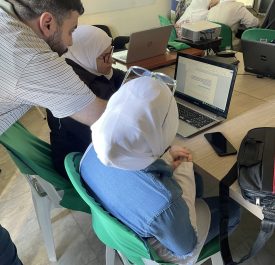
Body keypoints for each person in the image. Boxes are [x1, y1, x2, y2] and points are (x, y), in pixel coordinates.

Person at [80, 76, 240, 264]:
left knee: (196, 181)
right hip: (163, 246)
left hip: (123, 215)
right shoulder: (165, 203)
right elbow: (185, 247)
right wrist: (184, 170)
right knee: (233, 208)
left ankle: (185, 209)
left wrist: (163, 162)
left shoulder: (93, 149)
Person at [0, 0, 107, 263]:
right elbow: (103, 117)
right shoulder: (27, 55)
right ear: (47, 23)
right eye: (71, 30)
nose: (70, 43)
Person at [46, 25, 125, 178]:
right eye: (105, 56)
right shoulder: (76, 90)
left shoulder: (82, 66)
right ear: (86, 54)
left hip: (92, 152)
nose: (112, 60)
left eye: (111, 52)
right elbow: (113, 140)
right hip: (81, 165)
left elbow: (117, 76)